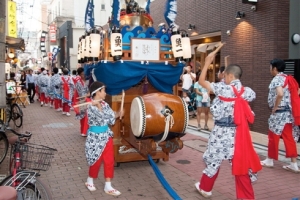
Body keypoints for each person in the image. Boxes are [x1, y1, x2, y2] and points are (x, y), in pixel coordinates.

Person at [195, 44, 262, 199]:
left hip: (220, 132)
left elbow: (201, 81)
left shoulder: (222, 89)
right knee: (241, 165)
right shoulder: (247, 92)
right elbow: (249, 96)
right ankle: (246, 197)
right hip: (238, 134)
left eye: (225, 76)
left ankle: (205, 188)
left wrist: (207, 63)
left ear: (230, 76)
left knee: (214, 160)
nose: (223, 78)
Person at [260, 59, 300, 173]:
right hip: (288, 114)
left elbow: (280, 93)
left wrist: (275, 107)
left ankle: (269, 160)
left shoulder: (276, 79)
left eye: (270, 67)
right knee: (289, 138)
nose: (270, 69)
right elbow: (297, 91)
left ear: (275, 68)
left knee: (273, 137)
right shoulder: (289, 78)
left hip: (279, 113)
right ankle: (294, 164)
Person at [85, 81, 123, 196]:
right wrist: (113, 114)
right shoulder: (90, 106)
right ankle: (89, 180)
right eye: (104, 91)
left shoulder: (105, 104)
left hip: (106, 136)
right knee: (95, 160)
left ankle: (108, 185)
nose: (105, 93)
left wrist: (118, 114)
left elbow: (111, 119)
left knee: (109, 160)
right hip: (95, 138)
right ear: (98, 92)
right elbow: (104, 117)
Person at [74, 67, 89, 137]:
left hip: (88, 100)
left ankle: (85, 130)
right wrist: (88, 95)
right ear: (80, 75)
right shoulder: (78, 82)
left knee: (87, 116)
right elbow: (81, 93)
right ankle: (83, 131)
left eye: (84, 74)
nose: (84, 75)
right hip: (82, 100)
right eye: (82, 74)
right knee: (83, 116)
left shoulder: (88, 80)